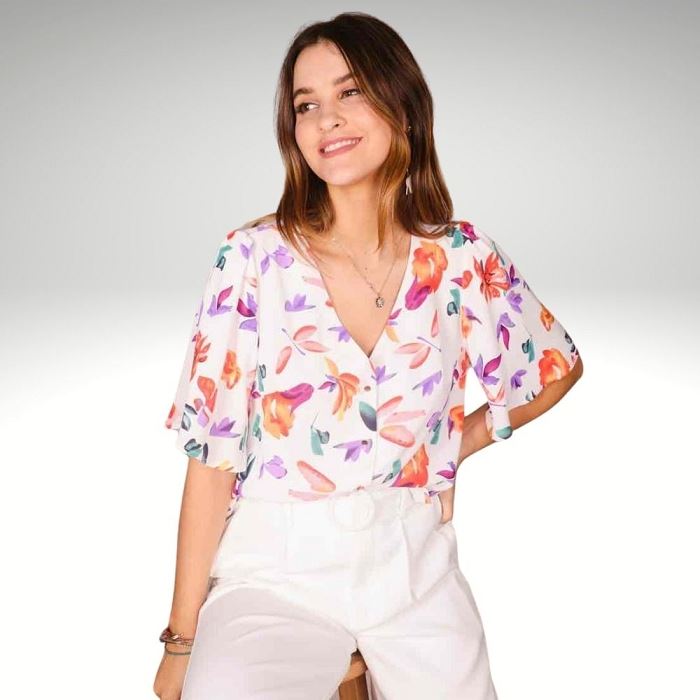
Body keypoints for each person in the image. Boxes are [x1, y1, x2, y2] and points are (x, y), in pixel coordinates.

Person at [152, 11, 584, 700]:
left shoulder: (461, 257)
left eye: (350, 91)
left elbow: (553, 368)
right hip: (274, 573)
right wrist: (181, 639)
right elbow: (210, 460)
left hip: (415, 573)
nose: (327, 118)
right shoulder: (252, 259)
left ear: (401, 104)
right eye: (306, 104)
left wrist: (457, 444)